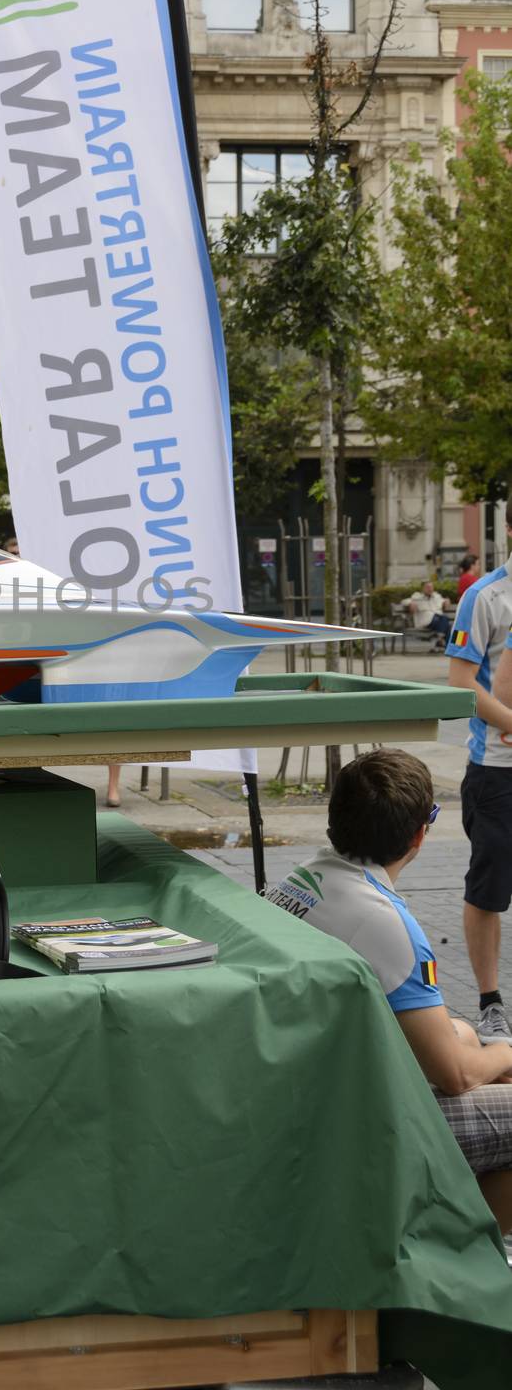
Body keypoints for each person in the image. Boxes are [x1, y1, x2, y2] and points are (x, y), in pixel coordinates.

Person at [266, 749, 512, 1232]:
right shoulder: (387, 924)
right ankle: (450, 1248)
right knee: (484, 1062)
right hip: (355, 1123)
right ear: (420, 834)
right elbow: (456, 1077)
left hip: (305, 1086)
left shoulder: (304, 879)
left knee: (461, 1032)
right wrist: (506, 1050)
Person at [447, 505, 512, 1044]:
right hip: (498, 772)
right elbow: (462, 683)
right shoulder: (485, 597)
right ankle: (491, 1004)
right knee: (489, 890)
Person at [407, 580, 451, 649]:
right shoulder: (417, 597)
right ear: (423, 589)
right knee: (445, 620)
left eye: (431, 587)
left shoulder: (437, 596)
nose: (430, 589)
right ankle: (445, 643)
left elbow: (444, 601)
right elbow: (405, 601)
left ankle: (447, 644)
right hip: (426, 622)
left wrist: (446, 601)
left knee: (449, 626)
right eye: (427, 587)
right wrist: (410, 603)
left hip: (438, 621)